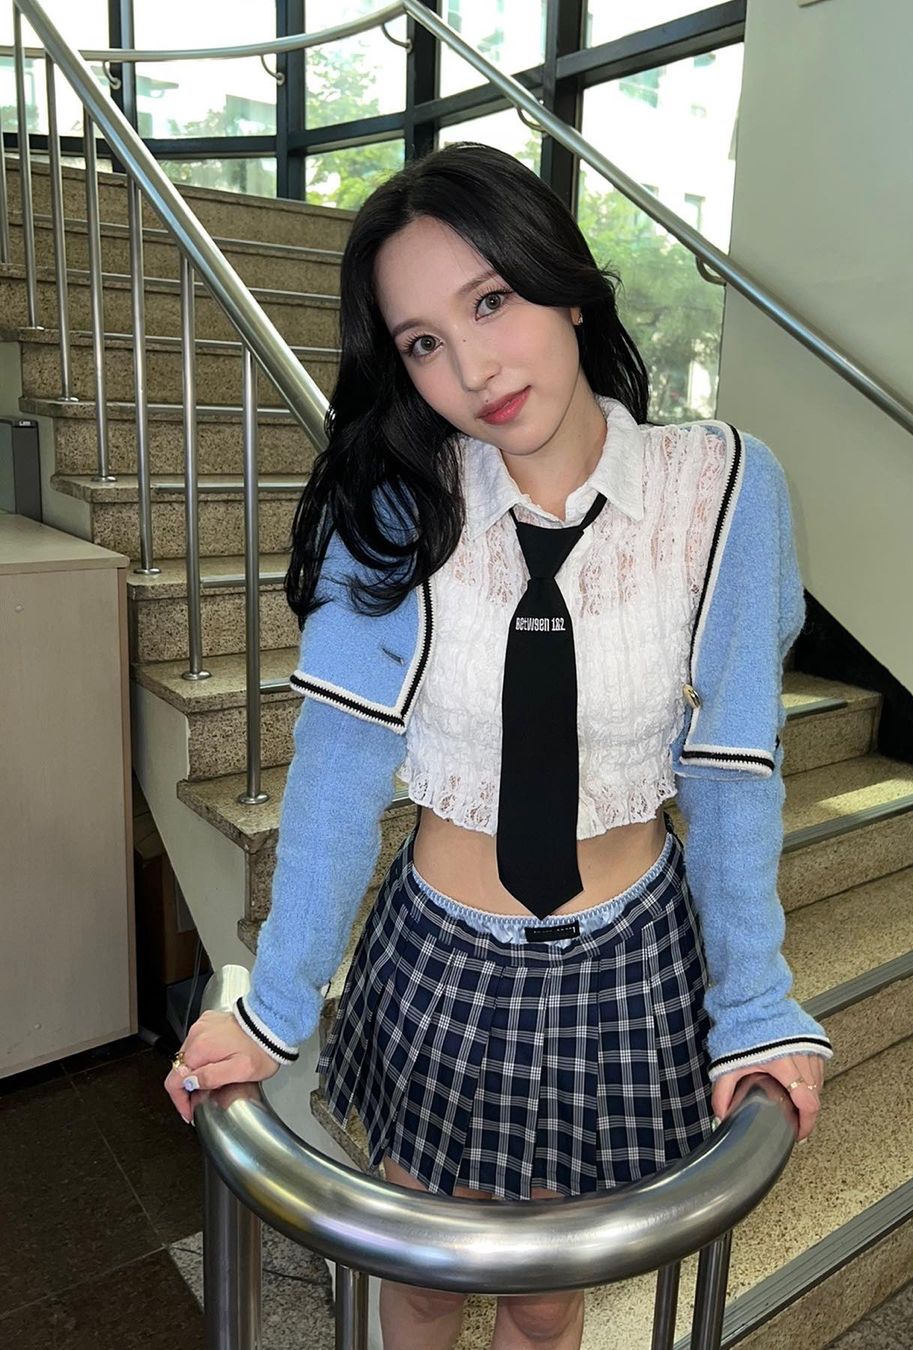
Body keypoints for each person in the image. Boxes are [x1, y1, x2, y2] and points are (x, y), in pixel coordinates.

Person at [165, 142, 833, 1350]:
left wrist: (755, 1003)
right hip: (440, 952)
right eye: (423, 341)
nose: (472, 369)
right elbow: (338, 771)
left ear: (567, 288)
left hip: (631, 956)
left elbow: (735, 767)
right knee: (422, 1275)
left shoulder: (723, 489)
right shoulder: (395, 504)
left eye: (491, 302)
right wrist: (273, 1007)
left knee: (544, 1289)